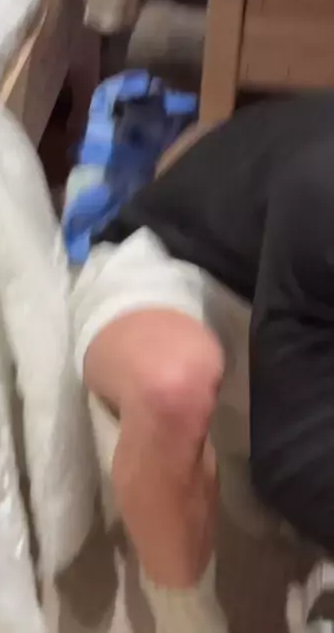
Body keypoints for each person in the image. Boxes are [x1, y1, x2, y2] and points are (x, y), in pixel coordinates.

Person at [73, 91, 334, 632]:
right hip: (185, 271)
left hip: (295, 310)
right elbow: (287, 456)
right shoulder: (322, 187)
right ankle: (185, 620)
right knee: (172, 390)